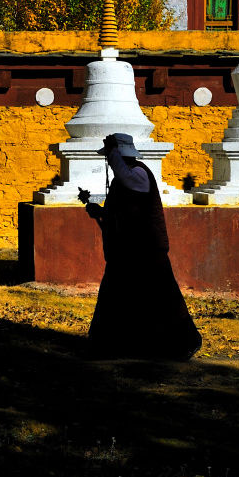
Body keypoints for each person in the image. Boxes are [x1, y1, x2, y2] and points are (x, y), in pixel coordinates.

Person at [80, 132, 201, 361]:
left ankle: (182, 343)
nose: (107, 159)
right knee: (119, 298)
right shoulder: (122, 178)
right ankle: (117, 346)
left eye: (110, 155)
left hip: (147, 249)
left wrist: (112, 149)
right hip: (126, 250)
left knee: (162, 298)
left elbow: (127, 181)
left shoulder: (139, 174)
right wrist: (101, 211)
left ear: (119, 154)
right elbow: (121, 211)